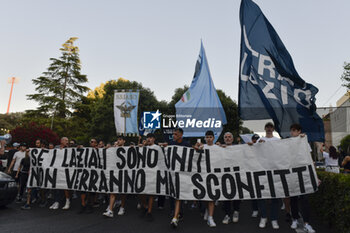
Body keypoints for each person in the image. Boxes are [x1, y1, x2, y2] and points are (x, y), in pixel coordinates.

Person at [160, 128, 191, 228]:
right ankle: (175, 211)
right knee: (173, 193)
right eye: (173, 134)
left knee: (179, 193)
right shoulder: (171, 144)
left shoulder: (186, 144)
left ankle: (178, 213)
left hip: (183, 174)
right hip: (173, 173)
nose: (174, 136)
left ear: (181, 135)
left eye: (176, 134)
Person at [289, 123, 316, 233]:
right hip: (292, 174)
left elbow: (310, 159)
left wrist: (315, 175)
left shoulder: (304, 142)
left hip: (303, 174)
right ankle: (295, 219)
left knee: (305, 200)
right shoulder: (288, 143)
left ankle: (307, 223)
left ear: (299, 131)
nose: (292, 132)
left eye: (294, 130)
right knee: (293, 199)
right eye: (291, 130)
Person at [256, 122, 280, 230]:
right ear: (265, 129)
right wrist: (257, 145)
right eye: (267, 127)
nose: (269, 129)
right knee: (262, 196)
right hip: (263, 171)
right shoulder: (259, 140)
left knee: (276, 196)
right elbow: (253, 152)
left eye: (271, 127)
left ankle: (274, 219)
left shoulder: (277, 141)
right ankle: (263, 217)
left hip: (275, 171)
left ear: (273, 129)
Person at [194, 130, 219, 228]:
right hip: (203, 175)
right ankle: (207, 211)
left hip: (213, 175)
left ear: (213, 138)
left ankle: (210, 217)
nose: (208, 139)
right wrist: (196, 149)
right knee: (205, 195)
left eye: (210, 137)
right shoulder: (202, 147)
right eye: (207, 137)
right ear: (205, 138)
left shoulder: (217, 148)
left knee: (212, 196)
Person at [103, 136, 127, 218]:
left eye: (120, 139)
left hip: (123, 173)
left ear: (124, 141)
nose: (118, 141)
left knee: (123, 192)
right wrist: (110, 148)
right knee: (112, 191)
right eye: (118, 139)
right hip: (115, 172)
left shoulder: (127, 149)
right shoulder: (113, 149)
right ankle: (110, 210)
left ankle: (122, 207)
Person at [221, 132, 241, 224]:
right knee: (226, 194)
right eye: (226, 137)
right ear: (224, 139)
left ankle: (236, 211)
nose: (228, 138)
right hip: (225, 175)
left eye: (229, 137)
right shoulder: (220, 148)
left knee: (236, 193)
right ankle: (227, 214)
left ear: (232, 139)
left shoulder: (238, 148)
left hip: (236, 174)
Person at [138, 133, 159, 222]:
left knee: (151, 193)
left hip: (153, 172)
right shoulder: (143, 147)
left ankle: (149, 211)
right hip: (143, 172)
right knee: (141, 191)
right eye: (148, 138)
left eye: (151, 138)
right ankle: (145, 205)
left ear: (154, 139)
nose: (149, 139)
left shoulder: (157, 148)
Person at [50, 137, 71, 210]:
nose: (67, 142)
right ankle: (56, 201)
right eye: (66, 140)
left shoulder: (69, 149)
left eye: (67, 141)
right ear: (61, 141)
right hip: (57, 169)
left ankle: (67, 201)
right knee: (56, 186)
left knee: (64, 187)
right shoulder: (56, 148)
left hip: (65, 170)